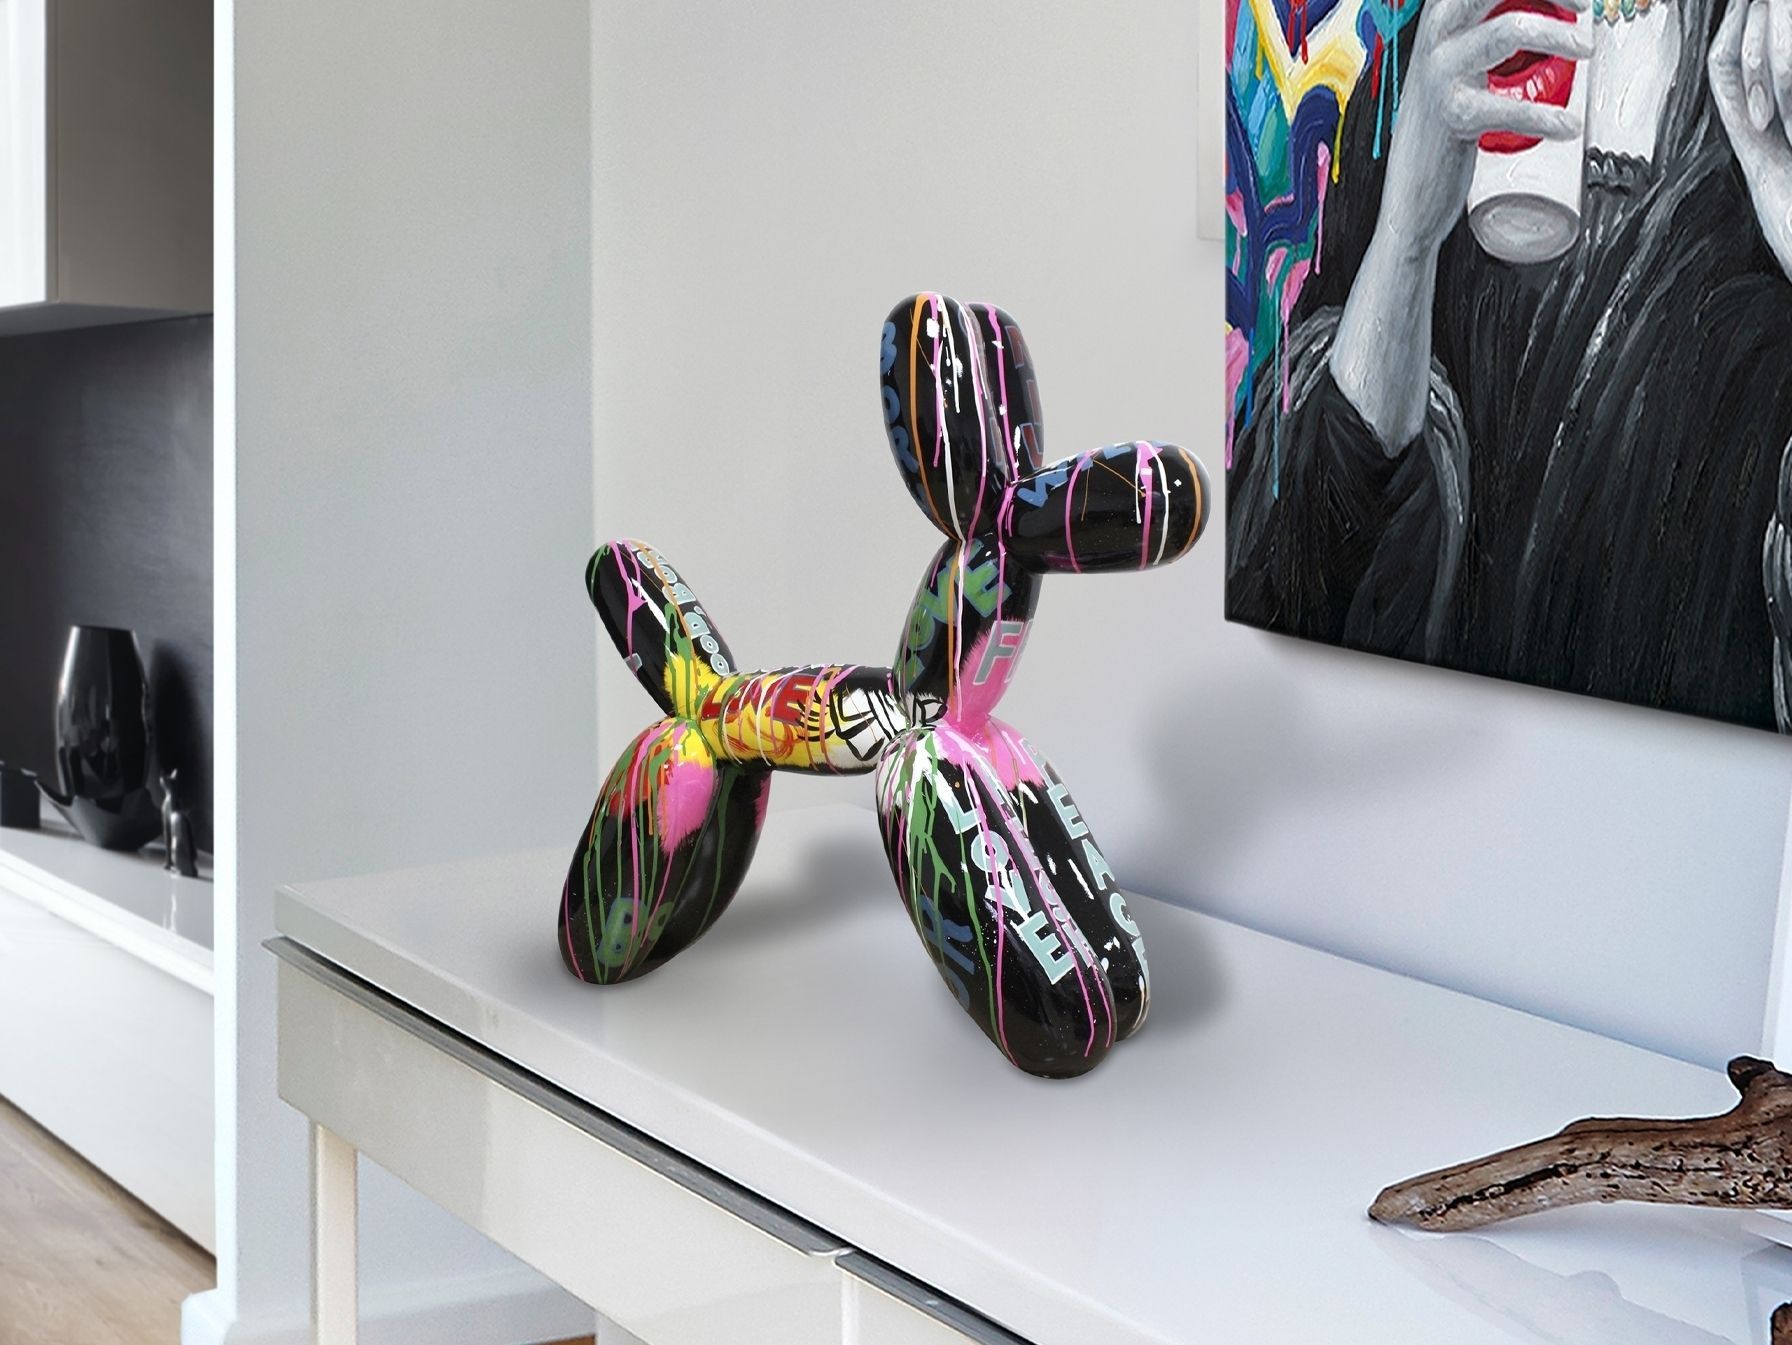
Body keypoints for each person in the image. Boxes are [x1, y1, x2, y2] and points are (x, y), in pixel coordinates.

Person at [1227, 0, 1792, 730]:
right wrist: (1405, 242)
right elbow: (1301, 586)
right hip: (1425, 754)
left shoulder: (1761, 90)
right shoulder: (1438, 64)